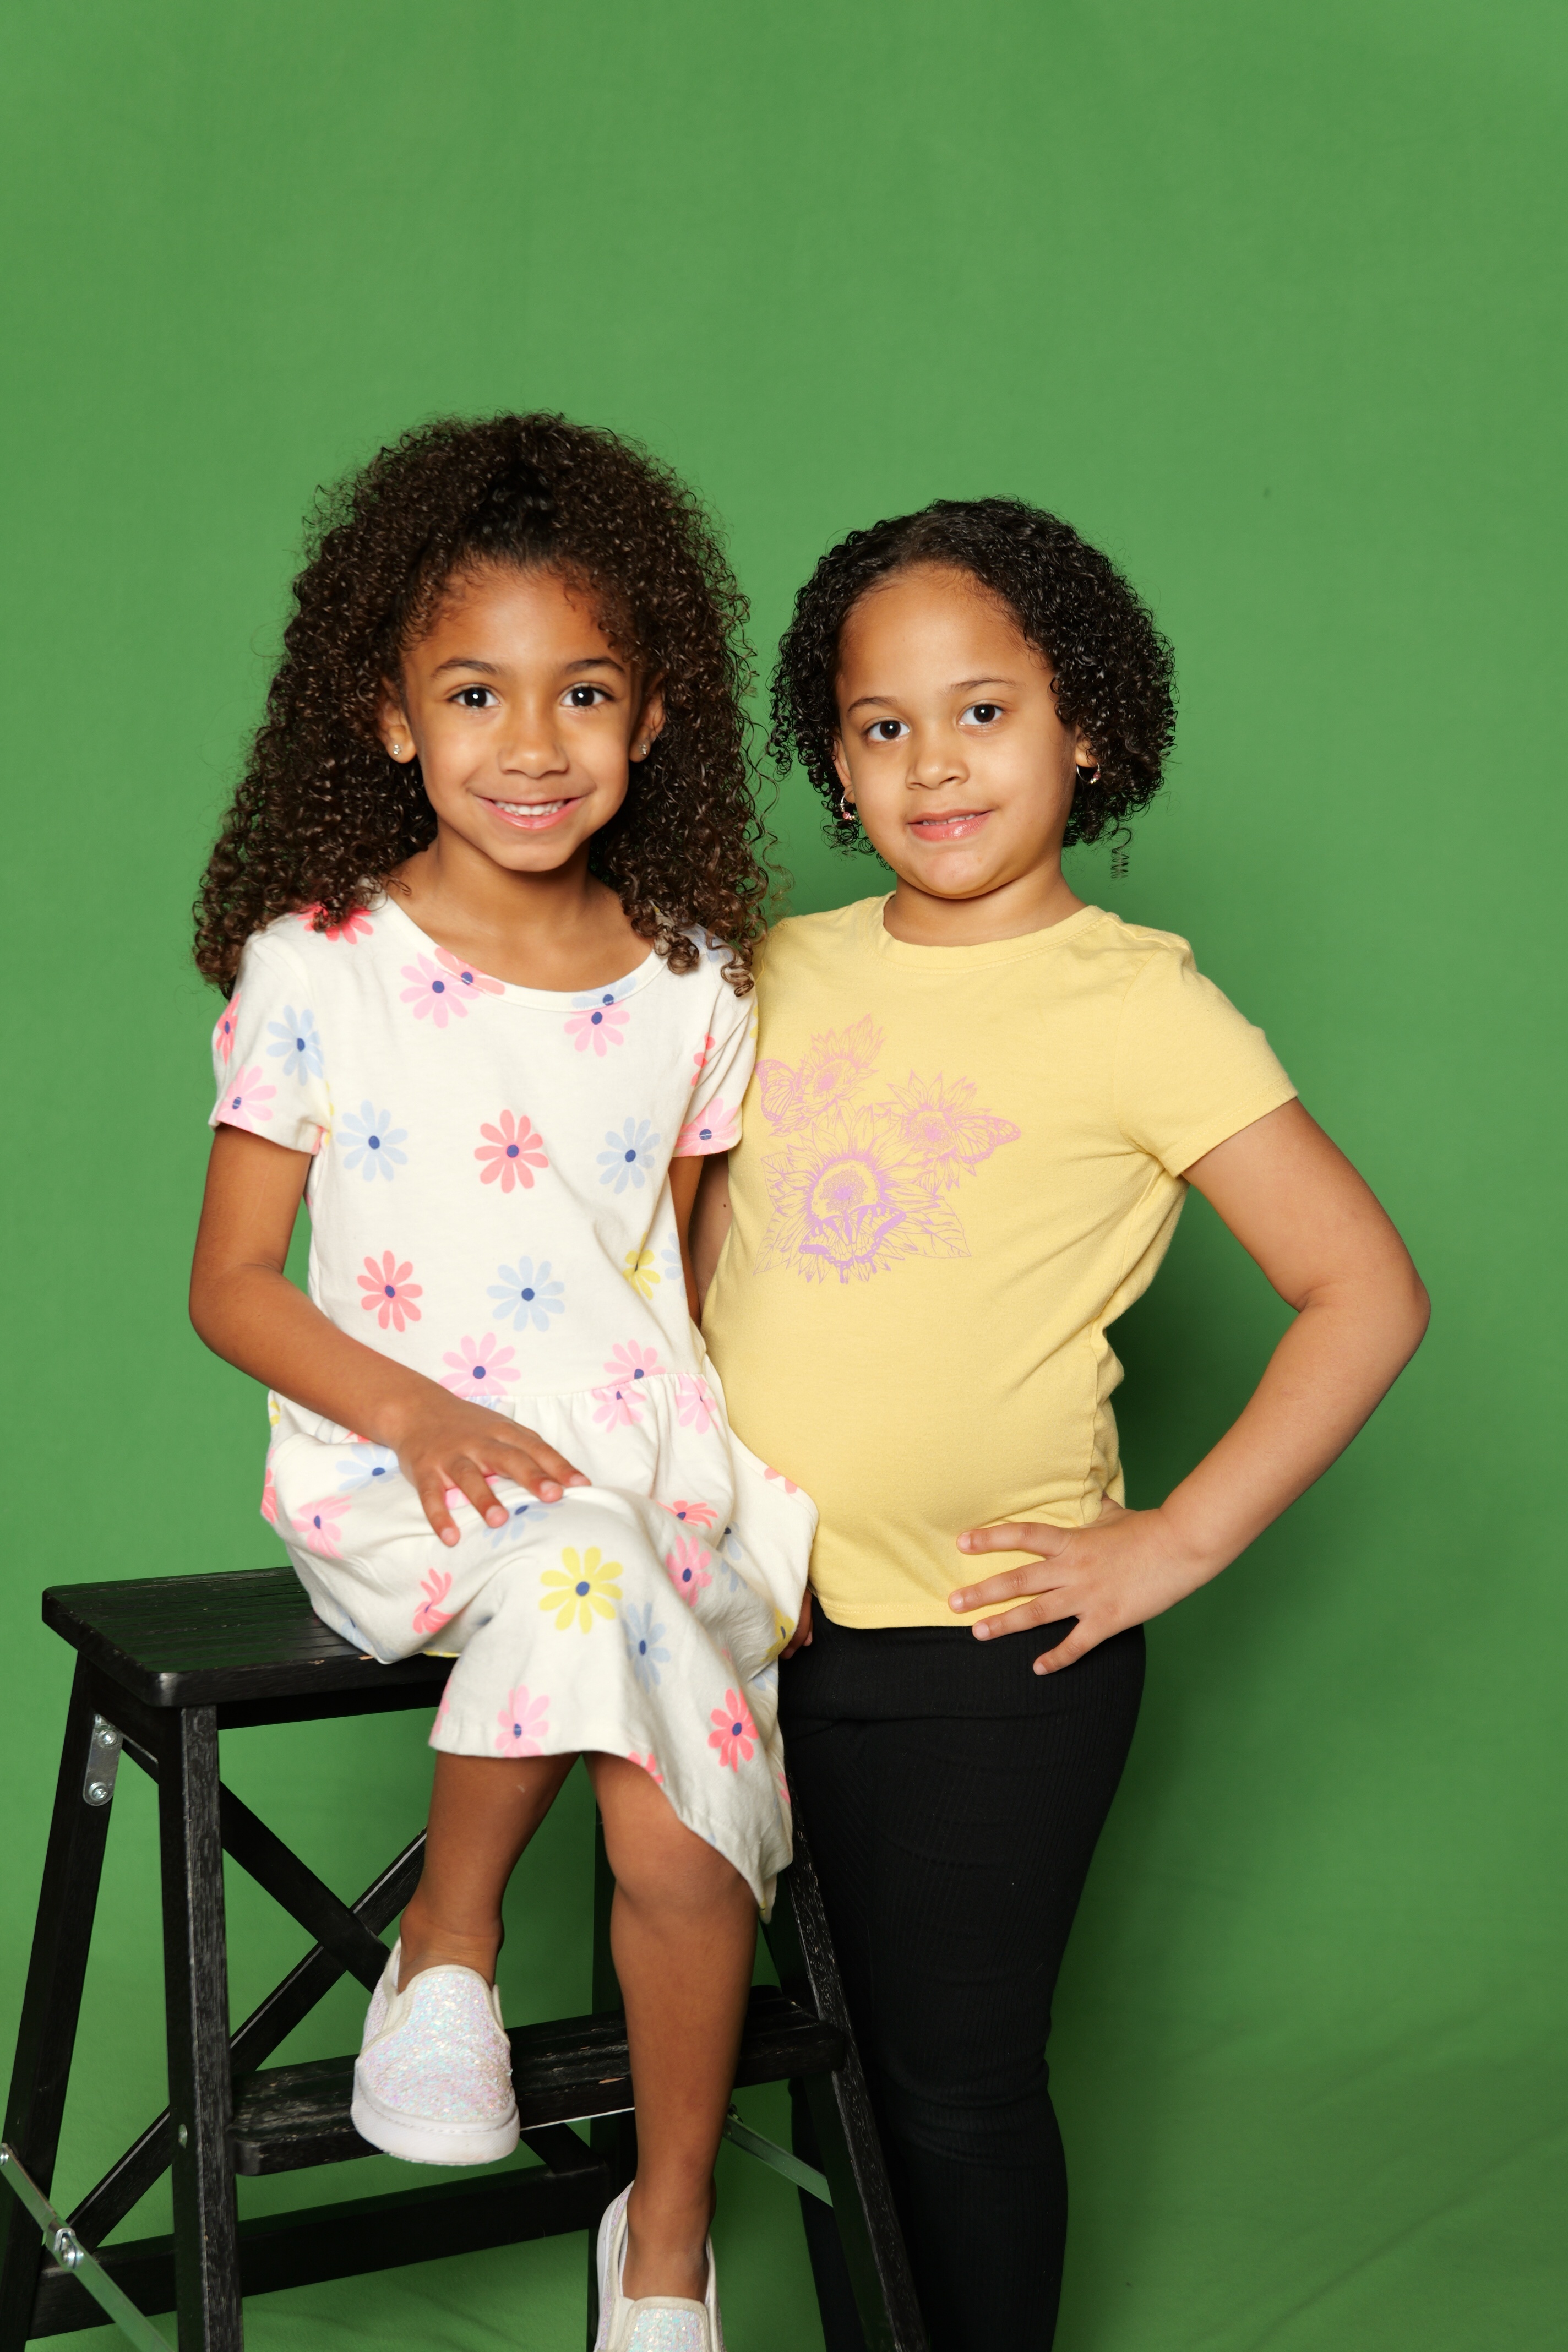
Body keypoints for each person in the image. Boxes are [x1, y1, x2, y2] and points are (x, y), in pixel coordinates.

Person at [694, 498, 1430, 2351]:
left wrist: (1176, 1540)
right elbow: (696, 1266)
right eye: (882, 725)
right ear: (833, 757)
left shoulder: (1142, 1005)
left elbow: (1366, 1291)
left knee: (954, 2086)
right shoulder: (772, 969)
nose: (934, 763)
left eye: (984, 712)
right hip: (754, 1627)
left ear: (1086, 725)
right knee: (823, 2072)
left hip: (991, 1656)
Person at [189, 413, 815, 2352]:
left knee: (679, 1814)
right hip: (407, 1485)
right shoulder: (320, 968)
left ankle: (664, 2239)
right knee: (573, 1569)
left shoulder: (699, 978)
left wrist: (724, 1489)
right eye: (475, 693)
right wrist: (419, 1414)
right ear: (389, 716)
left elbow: (680, 1279)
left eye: (584, 693)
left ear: (652, 717)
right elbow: (229, 1287)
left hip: (636, 1477)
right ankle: (445, 1950)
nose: (531, 743)